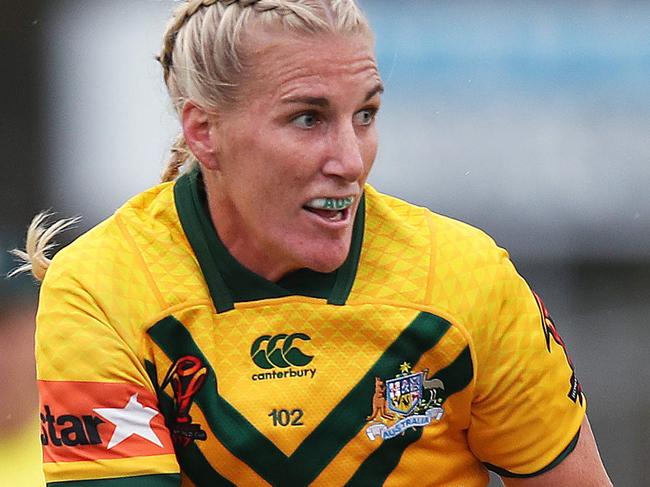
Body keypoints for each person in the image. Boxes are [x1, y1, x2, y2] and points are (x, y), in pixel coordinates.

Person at [12, 0, 612, 485]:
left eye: (367, 114)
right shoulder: (102, 288)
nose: (350, 161)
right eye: (308, 118)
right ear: (204, 132)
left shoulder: (467, 276)